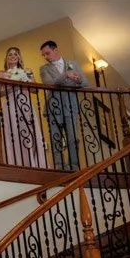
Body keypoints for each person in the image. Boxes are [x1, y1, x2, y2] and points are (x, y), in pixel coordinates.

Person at [0, 47, 49, 168]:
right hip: (10, 106)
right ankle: (15, 163)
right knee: (13, 133)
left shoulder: (27, 70)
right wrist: (14, 86)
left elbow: (35, 90)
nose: (13, 56)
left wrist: (24, 83)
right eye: (10, 54)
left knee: (29, 131)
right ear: (6, 58)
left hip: (25, 104)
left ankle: (34, 162)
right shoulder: (1, 73)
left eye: (16, 54)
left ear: (19, 57)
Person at [39, 40, 85, 170]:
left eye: (47, 53)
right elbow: (49, 83)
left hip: (71, 106)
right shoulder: (44, 68)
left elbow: (85, 82)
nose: (46, 57)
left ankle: (74, 167)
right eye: (44, 55)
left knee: (73, 138)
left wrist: (78, 79)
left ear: (56, 50)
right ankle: (59, 167)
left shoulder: (73, 64)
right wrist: (66, 75)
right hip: (54, 107)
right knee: (56, 139)